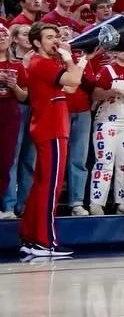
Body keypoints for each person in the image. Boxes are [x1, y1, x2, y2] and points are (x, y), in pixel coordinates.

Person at [19, 23, 88, 258]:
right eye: (49, 37)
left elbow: (70, 87)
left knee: (42, 186)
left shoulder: (45, 64)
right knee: (51, 188)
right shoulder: (43, 63)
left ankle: (30, 237)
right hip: (51, 129)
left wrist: (83, 60)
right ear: (37, 42)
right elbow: (73, 80)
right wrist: (71, 59)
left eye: (56, 36)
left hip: (50, 128)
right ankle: (44, 242)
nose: (55, 40)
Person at [87, 34, 124, 215]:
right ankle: (97, 203)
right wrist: (113, 90)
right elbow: (96, 94)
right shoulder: (107, 71)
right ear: (115, 51)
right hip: (107, 121)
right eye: (123, 48)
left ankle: (123, 202)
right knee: (104, 162)